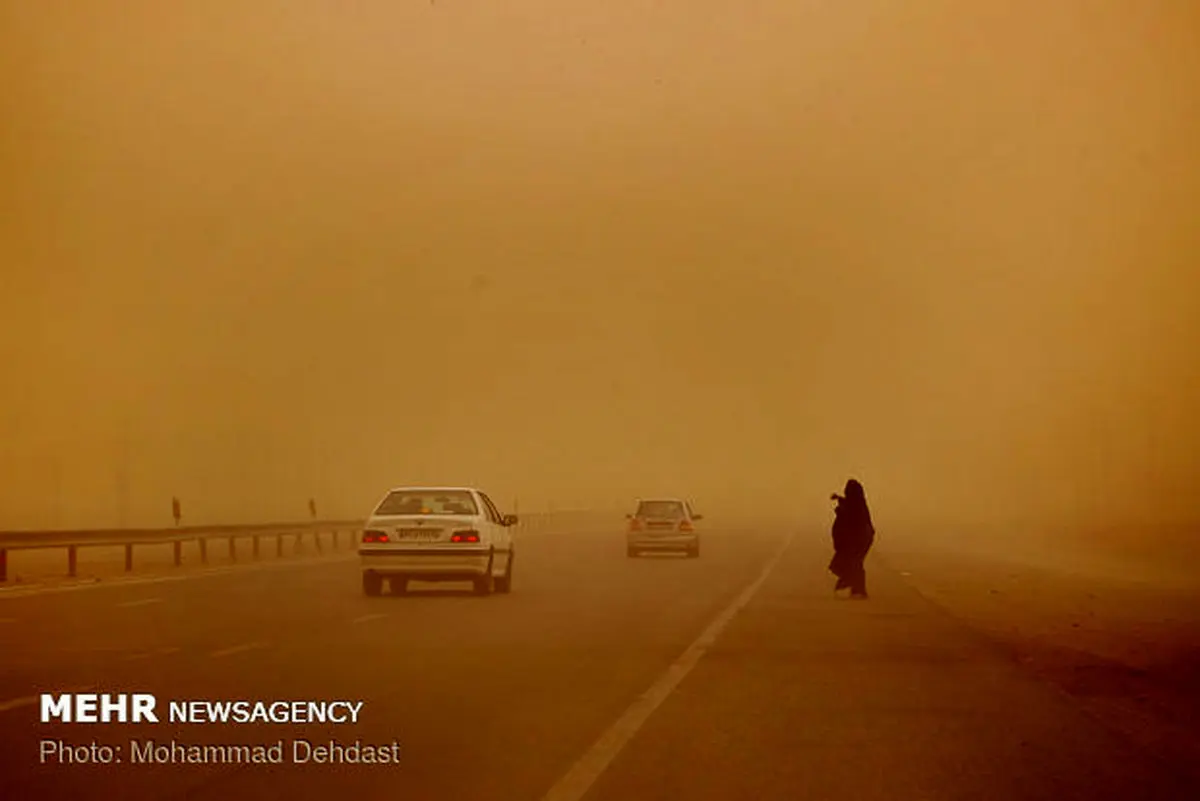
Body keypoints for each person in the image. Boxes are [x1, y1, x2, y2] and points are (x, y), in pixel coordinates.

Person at [828, 479, 875, 598]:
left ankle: (855, 587)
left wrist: (840, 511)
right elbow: (849, 505)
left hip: (859, 538)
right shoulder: (857, 502)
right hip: (860, 538)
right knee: (854, 562)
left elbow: (853, 518)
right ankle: (856, 588)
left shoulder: (856, 506)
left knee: (853, 562)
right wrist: (839, 499)